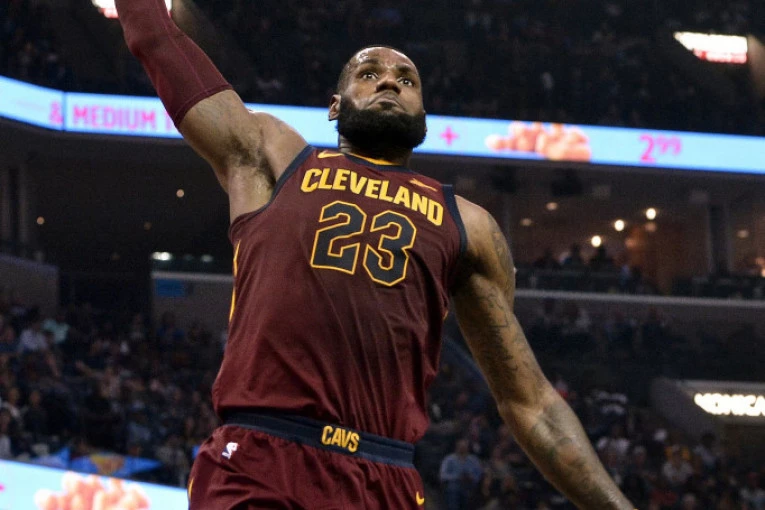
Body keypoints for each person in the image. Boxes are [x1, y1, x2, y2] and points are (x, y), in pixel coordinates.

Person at [115, 1, 634, 508]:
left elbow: (531, 402)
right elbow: (157, 40)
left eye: (407, 80)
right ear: (335, 106)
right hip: (260, 456)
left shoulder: (469, 225)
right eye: (368, 74)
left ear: (423, 115)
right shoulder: (274, 157)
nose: (389, 82)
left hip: (382, 476)